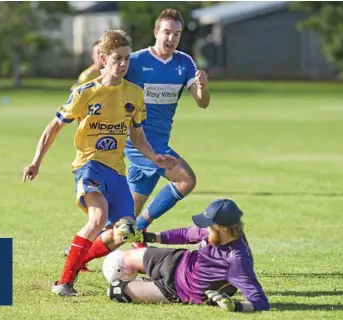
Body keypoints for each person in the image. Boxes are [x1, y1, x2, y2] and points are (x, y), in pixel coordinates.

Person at [23, 29, 179, 297]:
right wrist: (36, 161)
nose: (123, 64)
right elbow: (54, 127)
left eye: (127, 59)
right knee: (98, 217)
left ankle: (80, 261)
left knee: (126, 231)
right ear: (104, 59)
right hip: (89, 164)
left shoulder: (134, 94)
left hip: (116, 170)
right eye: (117, 58)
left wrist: (154, 157)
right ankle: (63, 284)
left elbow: (138, 136)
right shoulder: (86, 92)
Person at [123, 8, 210, 245]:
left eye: (177, 34)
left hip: (159, 142)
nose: (171, 39)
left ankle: (80, 252)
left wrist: (202, 86)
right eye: (167, 32)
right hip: (138, 144)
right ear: (156, 32)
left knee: (125, 217)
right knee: (186, 180)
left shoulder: (184, 63)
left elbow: (202, 103)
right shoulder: (136, 62)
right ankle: (139, 232)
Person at [108, 199, 270, 312]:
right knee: (123, 259)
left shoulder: (238, 260)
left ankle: (150, 283)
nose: (205, 229)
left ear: (225, 229)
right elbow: (185, 234)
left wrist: (236, 306)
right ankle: (149, 281)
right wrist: (144, 237)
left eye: (209, 226)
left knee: (115, 291)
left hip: (177, 289)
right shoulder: (214, 231)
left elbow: (260, 301)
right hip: (176, 260)